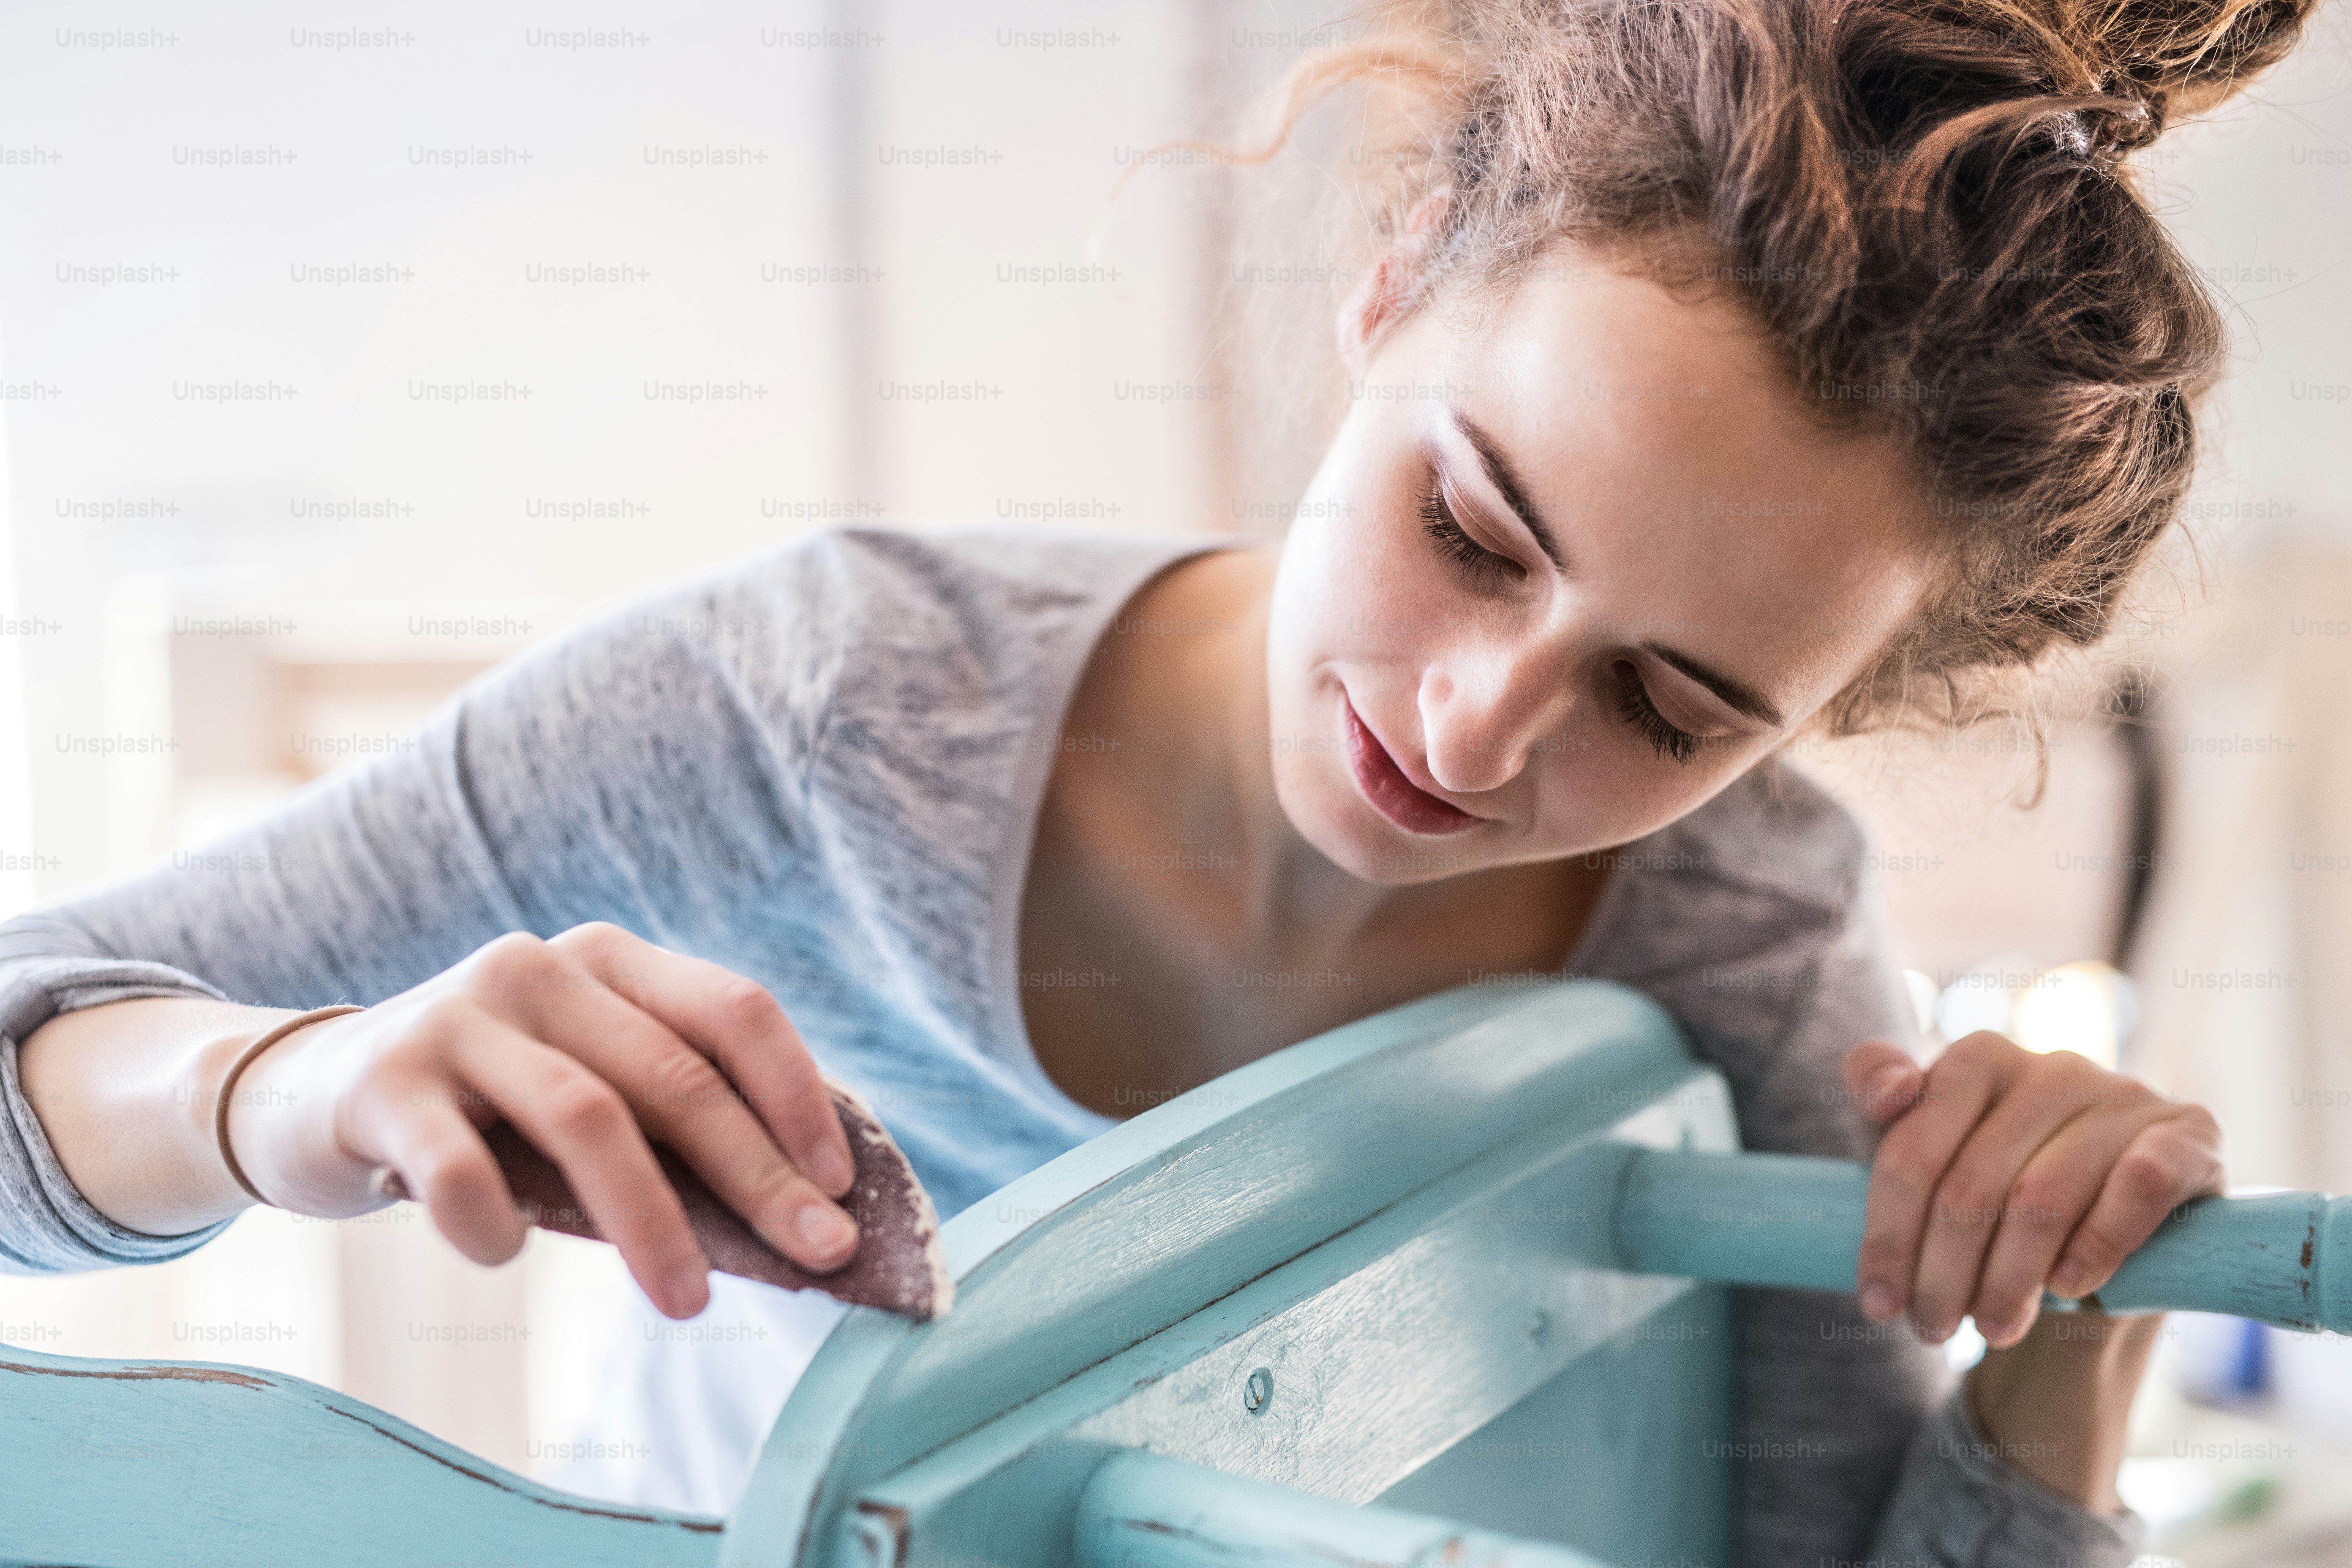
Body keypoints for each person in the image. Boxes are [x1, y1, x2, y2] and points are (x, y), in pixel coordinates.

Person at [0, 0, 2312, 1559]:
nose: (1482, 729)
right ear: (1392, 282)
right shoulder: (819, 712)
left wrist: (2073, 1329)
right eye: (1472, 531)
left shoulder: (1753, 942)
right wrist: (269, 1084)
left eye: (1683, 711)